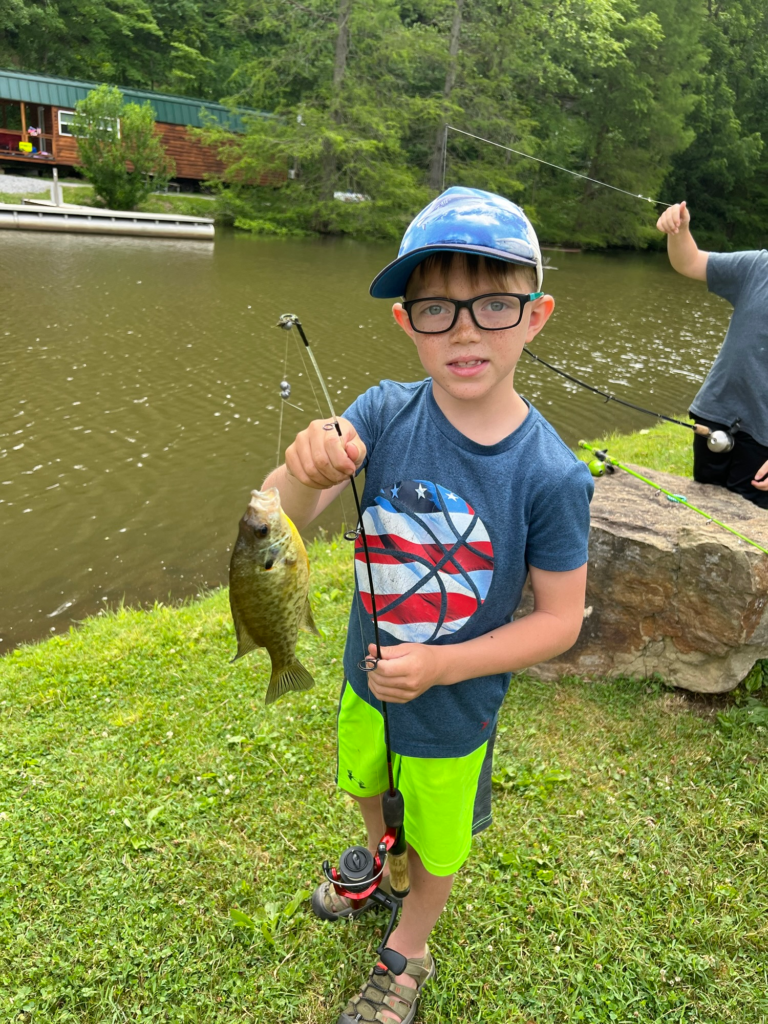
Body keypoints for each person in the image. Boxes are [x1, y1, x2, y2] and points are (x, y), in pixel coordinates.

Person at [263, 186, 593, 1024]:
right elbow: (278, 518)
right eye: (438, 310)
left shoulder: (551, 474)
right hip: (363, 676)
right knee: (366, 779)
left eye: (494, 304)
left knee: (440, 835)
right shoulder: (379, 410)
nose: (468, 330)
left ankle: (410, 943)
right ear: (407, 324)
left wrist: (444, 663)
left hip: (454, 709)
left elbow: (561, 621)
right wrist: (302, 470)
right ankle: (381, 858)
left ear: (536, 316)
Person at [656, 200, 768, 508]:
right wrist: (679, 230)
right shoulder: (758, 267)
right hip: (716, 418)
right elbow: (689, 262)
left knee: (749, 536)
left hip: (764, 444)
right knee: (702, 512)